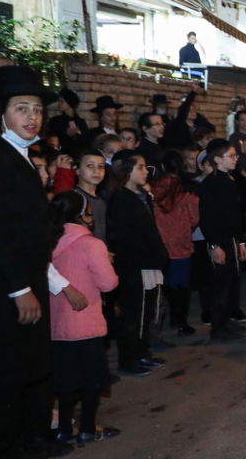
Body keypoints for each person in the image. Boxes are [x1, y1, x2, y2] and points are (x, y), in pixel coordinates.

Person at [0, 65, 82, 459]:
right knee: (0, 378)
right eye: (21, 108)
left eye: (36, 109)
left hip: (20, 284)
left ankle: (0, 454)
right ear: (0, 115)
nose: (32, 116)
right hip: (2, 293)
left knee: (13, 376)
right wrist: (20, 289)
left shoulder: (19, 157)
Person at [48, 191, 121, 443]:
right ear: (83, 215)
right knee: (90, 380)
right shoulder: (91, 244)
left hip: (57, 325)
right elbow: (108, 283)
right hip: (86, 322)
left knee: (65, 381)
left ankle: (65, 430)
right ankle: (88, 428)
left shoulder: (48, 242)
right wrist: (108, 264)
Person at [105, 152, 169, 375]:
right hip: (134, 265)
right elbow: (126, 236)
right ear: (126, 171)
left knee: (146, 311)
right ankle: (129, 359)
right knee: (133, 314)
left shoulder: (141, 194)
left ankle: (142, 352)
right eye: (140, 167)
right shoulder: (121, 199)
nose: (146, 172)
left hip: (148, 261)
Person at [198, 139, 246, 340]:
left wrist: (241, 241)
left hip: (231, 239)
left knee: (231, 282)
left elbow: (235, 215)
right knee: (220, 286)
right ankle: (217, 328)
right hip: (219, 241)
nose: (236, 159)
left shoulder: (230, 181)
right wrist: (213, 245)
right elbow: (207, 218)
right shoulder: (209, 185)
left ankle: (227, 322)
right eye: (231, 155)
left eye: (236, 155)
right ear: (218, 159)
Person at [151, 150, 200, 336]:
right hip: (182, 243)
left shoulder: (152, 190)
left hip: (161, 244)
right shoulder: (188, 189)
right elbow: (195, 217)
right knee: (182, 286)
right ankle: (181, 321)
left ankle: (170, 317)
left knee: (166, 285)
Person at [46, 88, 89, 156]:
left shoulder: (80, 122)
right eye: (59, 101)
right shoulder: (55, 121)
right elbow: (52, 140)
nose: (59, 104)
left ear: (69, 103)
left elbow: (86, 141)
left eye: (62, 101)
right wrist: (66, 134)